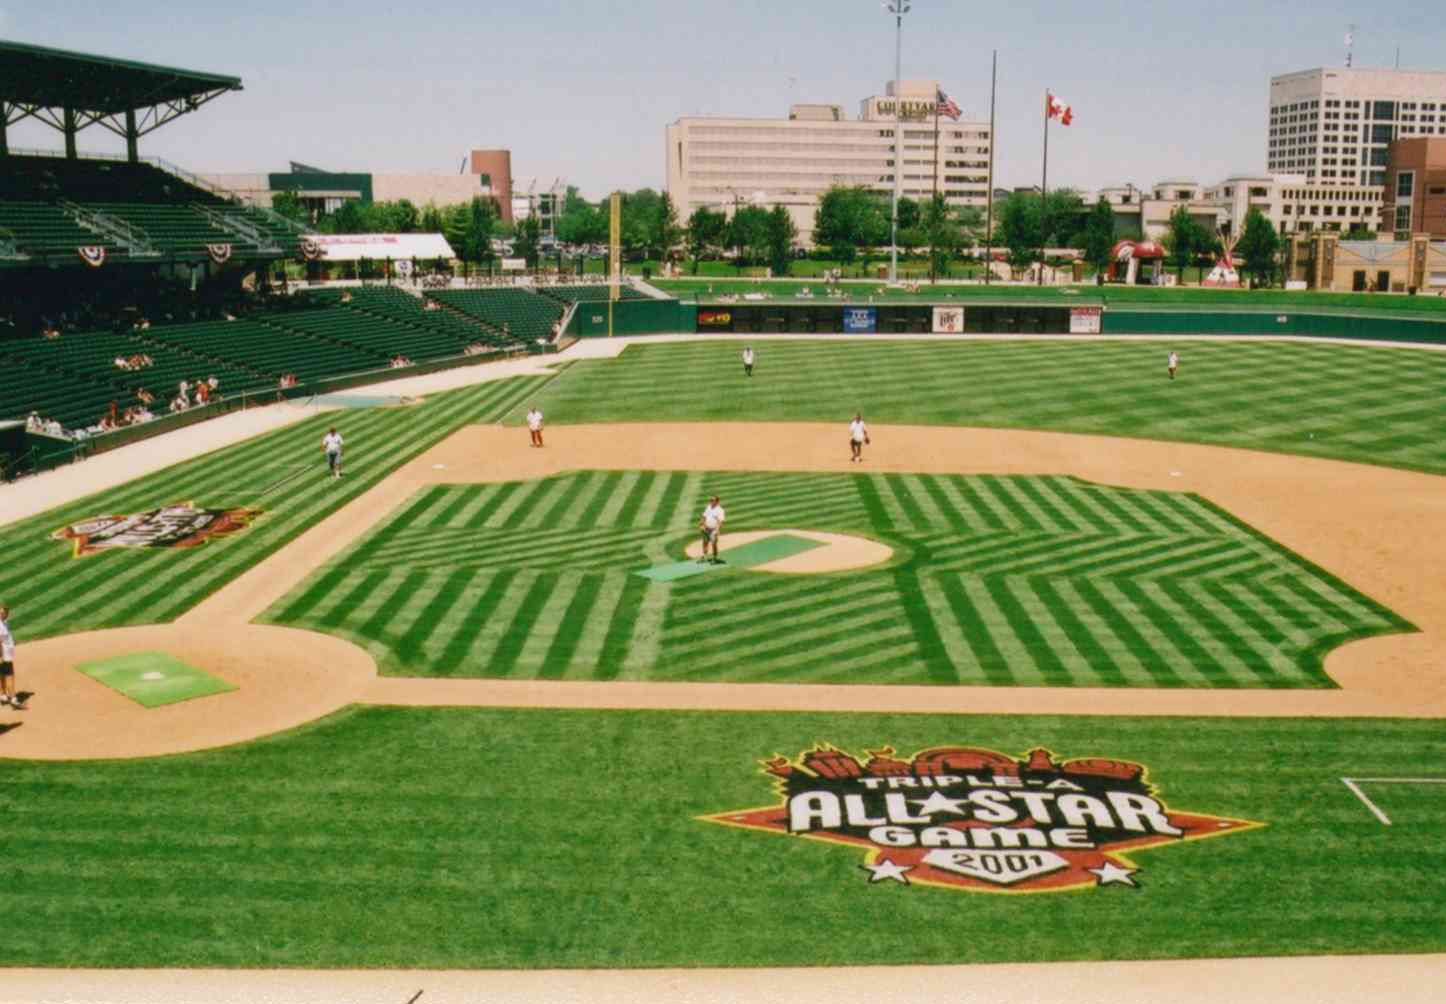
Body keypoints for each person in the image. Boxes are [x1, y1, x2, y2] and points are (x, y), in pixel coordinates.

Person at [0, 605, 22, 710]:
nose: (3, 614)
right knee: (10, 676)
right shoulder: (0, 625)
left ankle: (3, 695)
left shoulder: (4, 622)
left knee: (3, 675)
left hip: (5, 654)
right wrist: (1, 656)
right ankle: (13, 698)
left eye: (4, 613)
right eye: (2, 613)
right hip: (4, 656)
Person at [699, 495, 726, 564]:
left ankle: (714, 558)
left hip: (713, 529)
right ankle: (705, 557)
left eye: (712, 500)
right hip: (706, 528)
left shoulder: (720, 510)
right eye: (710, 500)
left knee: (714, 544)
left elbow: (721, 521)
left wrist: (717, 530)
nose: (710, 501)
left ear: (717, 501)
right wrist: (701, 524)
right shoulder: (708, 507)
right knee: (705, 542)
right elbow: (704, 516)